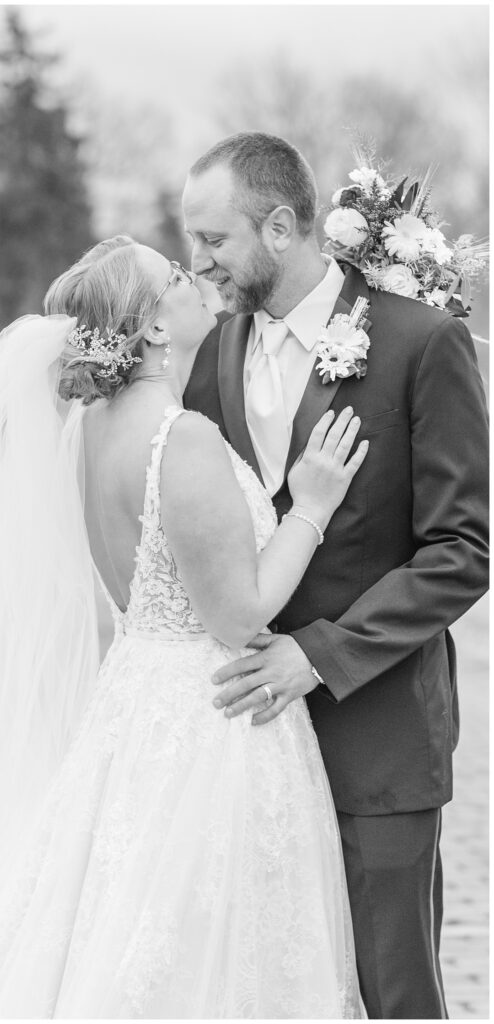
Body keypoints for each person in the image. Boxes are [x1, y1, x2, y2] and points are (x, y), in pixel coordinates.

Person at [0, 235, 370, 1018]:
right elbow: (240, 613)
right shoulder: (183, 438)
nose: (194, 276)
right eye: (175, 275)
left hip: (134, 703)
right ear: (150, 329)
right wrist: (311, 508)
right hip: (212, 715)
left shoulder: (96, 432)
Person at [182, 132, 489, 1019]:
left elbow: (462, 551)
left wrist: (317, 655)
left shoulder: (422, 342)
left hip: (380, 734)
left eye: (214, 240)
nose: (197, 260)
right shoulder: (216, 353)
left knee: (392, 995)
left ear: (281, 226)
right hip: (249, 748)